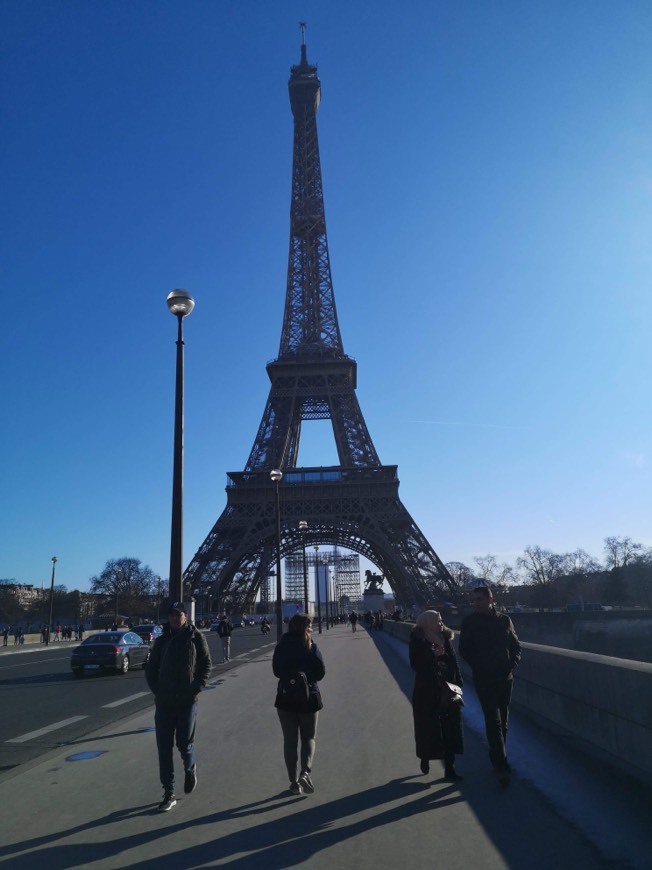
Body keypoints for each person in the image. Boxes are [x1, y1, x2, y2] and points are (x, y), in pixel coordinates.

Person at [145, 601, 212, 812]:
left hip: (186, 702)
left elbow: (206, 664)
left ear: (186, 616)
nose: (175, 618)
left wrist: (195, 689)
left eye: (178, 614)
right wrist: (158, 690)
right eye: (172, 615)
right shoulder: (162, 640)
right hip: (164, 703)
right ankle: (169, 792)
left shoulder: (196, 637)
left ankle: (190, 768)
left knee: (184, 745)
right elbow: (150, 668)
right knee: (164, 750)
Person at [459, 586, 522, 786]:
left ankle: (497, 756)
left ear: (490, 599)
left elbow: (515, 645)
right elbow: (463, 650)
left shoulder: (504, 620)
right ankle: (501, 764)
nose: (475, 602)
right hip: (484, 678)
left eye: (479, 599)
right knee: (493, 720)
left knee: (503, 719)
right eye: (473, 599)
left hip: (505, 677)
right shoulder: (469, 622)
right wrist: (479, 666)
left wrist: (512, 664)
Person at [272, 613, 325, 796]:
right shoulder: (311, 647)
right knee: (309, 738)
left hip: (286, 698)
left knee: (289, 741)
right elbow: (320, 673)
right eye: (309, 626)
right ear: (305, 628)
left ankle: (294, 783)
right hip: (309, 698)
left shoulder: (281, 646)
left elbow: (276, 671)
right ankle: (305, 772)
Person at [409, 610, 464, 781]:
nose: (441, 622)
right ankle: (425, 757)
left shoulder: (445, 637)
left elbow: (453, 661)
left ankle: (450, 767)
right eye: (438, 620)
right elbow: (416, 665)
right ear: (427, 622)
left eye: (441, 619)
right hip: (427, 690)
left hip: (448, 688)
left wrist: (459, 682)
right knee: (428, 727)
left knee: (451, 727)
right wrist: (432, 655)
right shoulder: (418, 640)